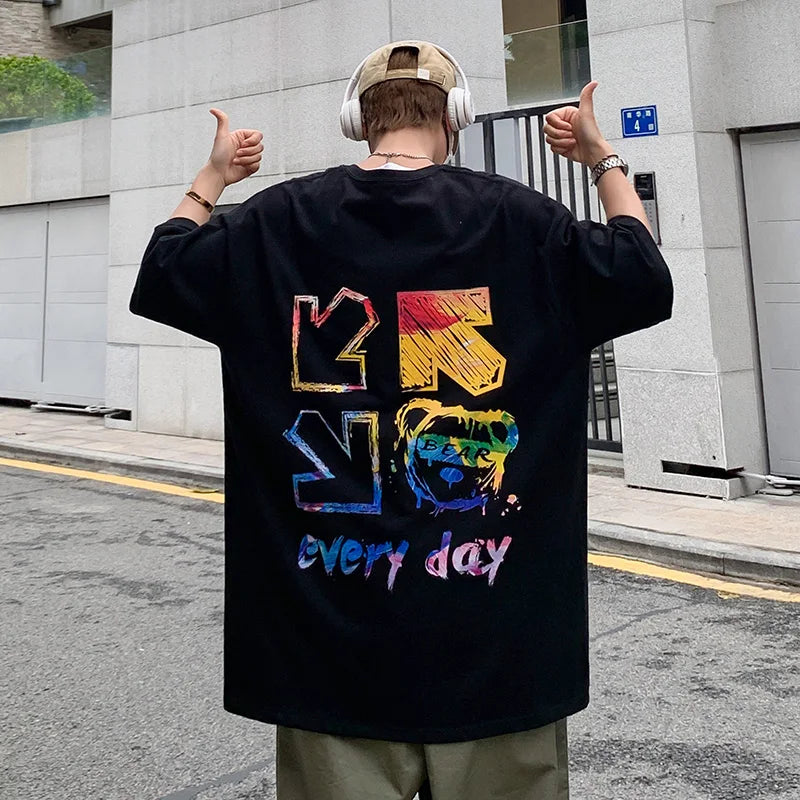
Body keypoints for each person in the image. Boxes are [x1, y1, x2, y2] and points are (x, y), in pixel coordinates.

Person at [130, 40, 673, 800]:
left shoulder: (277, 219)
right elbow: (643, 273)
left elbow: (164, 269)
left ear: (358, 120)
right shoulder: (520, 219)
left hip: (328, 649)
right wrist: (600, 159)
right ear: (456, 117)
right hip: (498, 646)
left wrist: (213, 177)